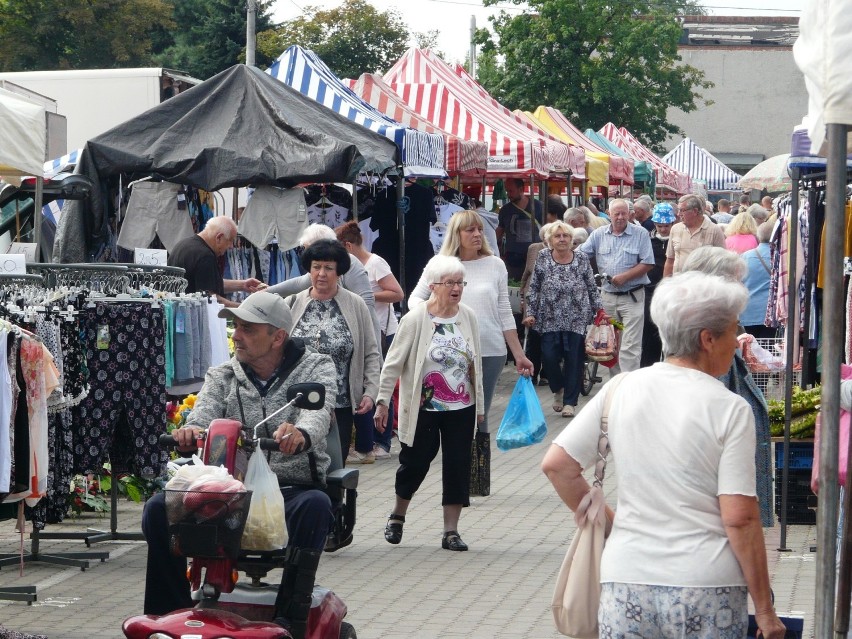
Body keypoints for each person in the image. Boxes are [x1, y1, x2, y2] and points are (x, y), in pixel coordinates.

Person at [541, 272, 786, 639]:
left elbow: (557, 465)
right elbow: (739, 519)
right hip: (705, 585)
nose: (737, 341)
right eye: (733, 331)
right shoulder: (730, 408)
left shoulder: (621, 388)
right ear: (707, 339)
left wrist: (612, 524)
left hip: (625, 579)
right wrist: (765, 610)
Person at [141, 292, 336, 637]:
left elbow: (317, 414)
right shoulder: (224, 374)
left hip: (289, 489)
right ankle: (167, 614)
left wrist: (301, 433)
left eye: (247, 329)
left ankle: (289, 618)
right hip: (226, 493)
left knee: (317, 506)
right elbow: (203, 411)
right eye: (235, 327)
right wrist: (191, 430)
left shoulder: (316, 367)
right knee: (159, 508)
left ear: (278, 337)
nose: (236, 335)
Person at [409, 210, 534, 490]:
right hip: (448, 351)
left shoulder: (495, 265)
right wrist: (435, 314)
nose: (477, 234)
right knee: (458, 415)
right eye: (470, 230)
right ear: (457, 235)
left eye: (479, 229)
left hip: (489, 350)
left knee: (480, 412)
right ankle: (459, 476)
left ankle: (476, 479)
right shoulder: (440, 265)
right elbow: (415, 299)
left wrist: (518, 354)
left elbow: (503, 311)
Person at [375, 255, 484, 551]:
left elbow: (474, 364)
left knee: (458, 465)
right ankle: (398, 514)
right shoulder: (415, 319)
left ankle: (451, 531)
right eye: (450, 282)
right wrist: (383, 401)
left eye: (460, 282)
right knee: (415, 462)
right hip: (424, 405)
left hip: (462, 405)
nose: (457, 288)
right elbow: (393, 363)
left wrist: (481, 407)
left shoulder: (468, 316)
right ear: (434, 286)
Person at [681, 246, 775, 529]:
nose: (742, 288)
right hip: (720, 497)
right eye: (735, 281)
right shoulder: (706, 335)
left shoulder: (722, 326)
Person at [284, 240, 382, 465]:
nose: (321, 274)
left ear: (339, 272)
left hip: (340, 405)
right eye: (316, 266)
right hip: (297, 403)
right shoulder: (293, 303)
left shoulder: (355, 305)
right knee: (298, 465)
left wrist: (370, 391)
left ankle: (336, 501)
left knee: (335, 465)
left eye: (328, 268)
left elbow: (371, 351)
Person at [335, 221, 404, 461]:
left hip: (384, 331)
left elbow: (397, 293)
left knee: (384, 382)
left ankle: (383, 442)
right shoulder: (353, 267)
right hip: (367, 330)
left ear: (348, 246)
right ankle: (373, 438)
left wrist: (364, 294)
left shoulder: (375, 263)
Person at [523, 221, 601, 417]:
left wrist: (599, 311)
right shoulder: (543, 257)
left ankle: (570, 403)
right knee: (548, 356)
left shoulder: (581, 258)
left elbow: (591, 286)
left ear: (571, 239)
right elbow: (534, 287)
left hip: (577, 316)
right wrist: (530, 312)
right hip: (548, 316)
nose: (562, 239)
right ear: (550, 240)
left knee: (574, 359)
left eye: (565, 235)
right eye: (557, 236)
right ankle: (558, 388)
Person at [266, 224, 381, 348]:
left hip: (360, 337)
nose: (306, 252)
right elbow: (301, 282)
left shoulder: (350, 262)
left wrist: (370, 345)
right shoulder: (317, 271)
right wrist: (266, 291)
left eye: (307, 248)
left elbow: (367, 302)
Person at [578, 198, 654, 374]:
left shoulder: (640, 234)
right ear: (609, 214)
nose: (620, 217)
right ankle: (616, 384)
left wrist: (625, 277)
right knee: (612, 343)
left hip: (632, 298)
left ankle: (628, 385)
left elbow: (648, 263)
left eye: (623, 213)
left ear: (630, 214)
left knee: (630, 344)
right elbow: (580, 254)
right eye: (616, 213)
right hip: (608, 299)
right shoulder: (598, 234)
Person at [167, 216, 264, 307]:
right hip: (191, 317)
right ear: (219, 237)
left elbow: (207, 282)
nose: (231, 246)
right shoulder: (205, 256)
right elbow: (211, 299)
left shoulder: (182, 245)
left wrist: (242, 285)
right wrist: (245, 308)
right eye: (230, 240)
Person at [640, 202, 676, 367]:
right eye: (660, 226)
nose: (663, 229)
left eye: (666, 225)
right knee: (649, 331)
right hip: (649, 290)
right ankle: (648, 367)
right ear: (655, 224)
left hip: (672, 291)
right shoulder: (646, 238)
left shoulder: (677, 239)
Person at [520, 223, 555, 387]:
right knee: (533, 339)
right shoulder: (534, 248)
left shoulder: (561, 252)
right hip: (533, 299)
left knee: (549, 339)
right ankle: (532, 374)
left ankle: (547, 373)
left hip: (551, 303)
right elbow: (527, 273)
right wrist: (522, 295)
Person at [664, 194, 727, 276]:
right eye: (678, 210)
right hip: (679, 283)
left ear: (695, 211)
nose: (679, 214)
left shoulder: (714, 230)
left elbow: (721, 263)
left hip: (703, 285)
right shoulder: (675, 229)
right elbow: (670, 260)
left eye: (682, 210)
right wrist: (666, 284)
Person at [496, 178, 544, 280]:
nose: (508, 194)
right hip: (513, 259)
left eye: (511, 191)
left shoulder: (538, 206)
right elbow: (499, 233)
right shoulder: (505, 210)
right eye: (507, 191)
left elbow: (547, 230)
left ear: (521, 189)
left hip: (535, 256)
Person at [740, 222, 774, 339]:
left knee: (751, 349)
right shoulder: (780, 257)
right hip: (771, 311)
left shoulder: (745, 256)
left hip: (749, 310)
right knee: (769, 349)